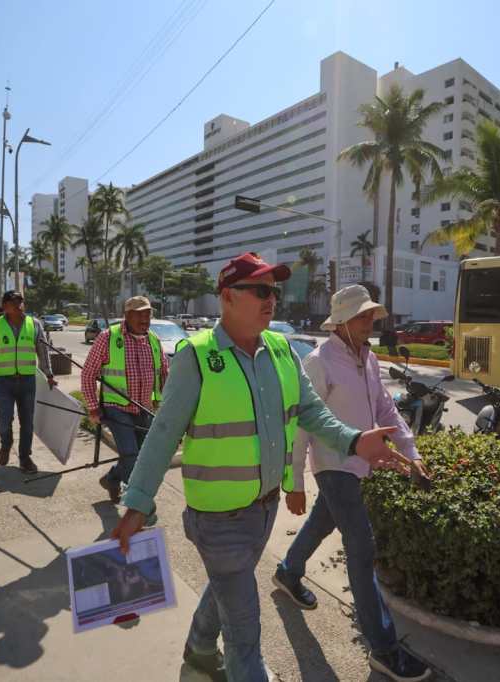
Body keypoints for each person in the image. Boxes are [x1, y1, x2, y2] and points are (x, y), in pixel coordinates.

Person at [111, 252, 403, 682]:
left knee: (231, 586)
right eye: (261, 291)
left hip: (264, 509)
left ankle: (197, 648)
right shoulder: (196, 357)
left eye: (275, 292)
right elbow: (162, 434)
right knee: (246, 635)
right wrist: (137, 504)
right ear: (228, 297)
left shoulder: (282, 351)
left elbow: (311, 411)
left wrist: (355, 440)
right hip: (218, 520)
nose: (272, 300)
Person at [273, 285, 431, 682]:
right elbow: (301, 425)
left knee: (321, 523)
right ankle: (384, 649)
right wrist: (293, 481)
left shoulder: (369, 357)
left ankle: (289, 571)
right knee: (362, 549)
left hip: (363, 463)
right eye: (362, 317)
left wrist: (412, 453)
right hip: (333, 465)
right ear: (341, 322)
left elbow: (385, 408)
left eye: (371, 316)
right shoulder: (318, 362)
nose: (370, 323)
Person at [80, 296, 169, 504]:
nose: (145, 318)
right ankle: (138, 504)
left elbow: (165, 375)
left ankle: (111, 479)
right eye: (139, 313)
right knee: (130, 454)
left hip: (144, 407)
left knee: (141, 455)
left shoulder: (154, 340)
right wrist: (93, 408)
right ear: (127, 315)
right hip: (116, 407)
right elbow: (88, 374)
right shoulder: (108, 337)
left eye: (148, 313)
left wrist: (165, 404)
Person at [0, 290, 55, 474]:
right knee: (4, 420)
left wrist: (49, 374)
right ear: (5, 306)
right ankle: (6, 444)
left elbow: (42, 352)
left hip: (28, 381)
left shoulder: (34, 324)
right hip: (4, 382)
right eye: (15, 302)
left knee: (27, 422)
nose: (20, 305)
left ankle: (25, 457)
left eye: (21, 302)